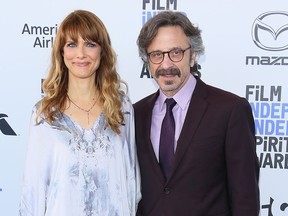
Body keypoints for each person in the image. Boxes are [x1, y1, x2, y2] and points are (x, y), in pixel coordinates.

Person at [134, 10, 259, 216]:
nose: (166, 64)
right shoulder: (136, 114)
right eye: (156, 54)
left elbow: (245, 198)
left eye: (176, 52)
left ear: (193, 56)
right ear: (148, 61)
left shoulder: (230, 110)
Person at [19, 10, 141, 216]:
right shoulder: (45, 114)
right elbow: (33, 192)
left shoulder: (121, 108)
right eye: (72, 44)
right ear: (61, 52)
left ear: (102, 52)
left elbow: (132, 184)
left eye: (90, 44)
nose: (81, 54)